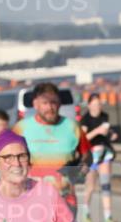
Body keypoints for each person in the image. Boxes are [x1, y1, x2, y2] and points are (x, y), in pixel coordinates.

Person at [13, 82, 82, 211]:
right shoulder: (21, 128)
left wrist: (79, 170)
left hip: (66, 200)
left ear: (59, 103)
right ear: (35, 104)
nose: (50, 107)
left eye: (53, 103)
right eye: (45, 103)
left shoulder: (72, 127)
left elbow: (86, 156)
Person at [79, 94, 118, 222]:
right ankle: (86, 212)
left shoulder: (105, 116)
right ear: (89, 105)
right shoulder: (85, 120)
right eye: (95, 105)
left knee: (106, 185)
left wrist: (111, 134)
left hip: (104, 154)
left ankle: (108, 217)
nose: (97, 108)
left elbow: (107, 130)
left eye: (99, 105)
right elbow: (83, 139)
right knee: (90, 187)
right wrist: (97, 131)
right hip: (91, 156)